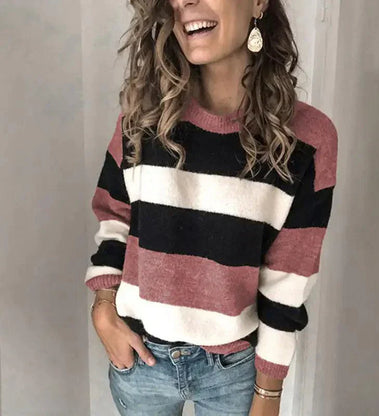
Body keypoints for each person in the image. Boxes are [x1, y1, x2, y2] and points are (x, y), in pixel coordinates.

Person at [85, 0, 338, 415]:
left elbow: (288, 281)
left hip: (233, 373)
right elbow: (114, 217)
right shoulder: (142, 117)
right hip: (140, 359)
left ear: (259, 3)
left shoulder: (308, 139)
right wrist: (103, 308)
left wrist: (269, 393)